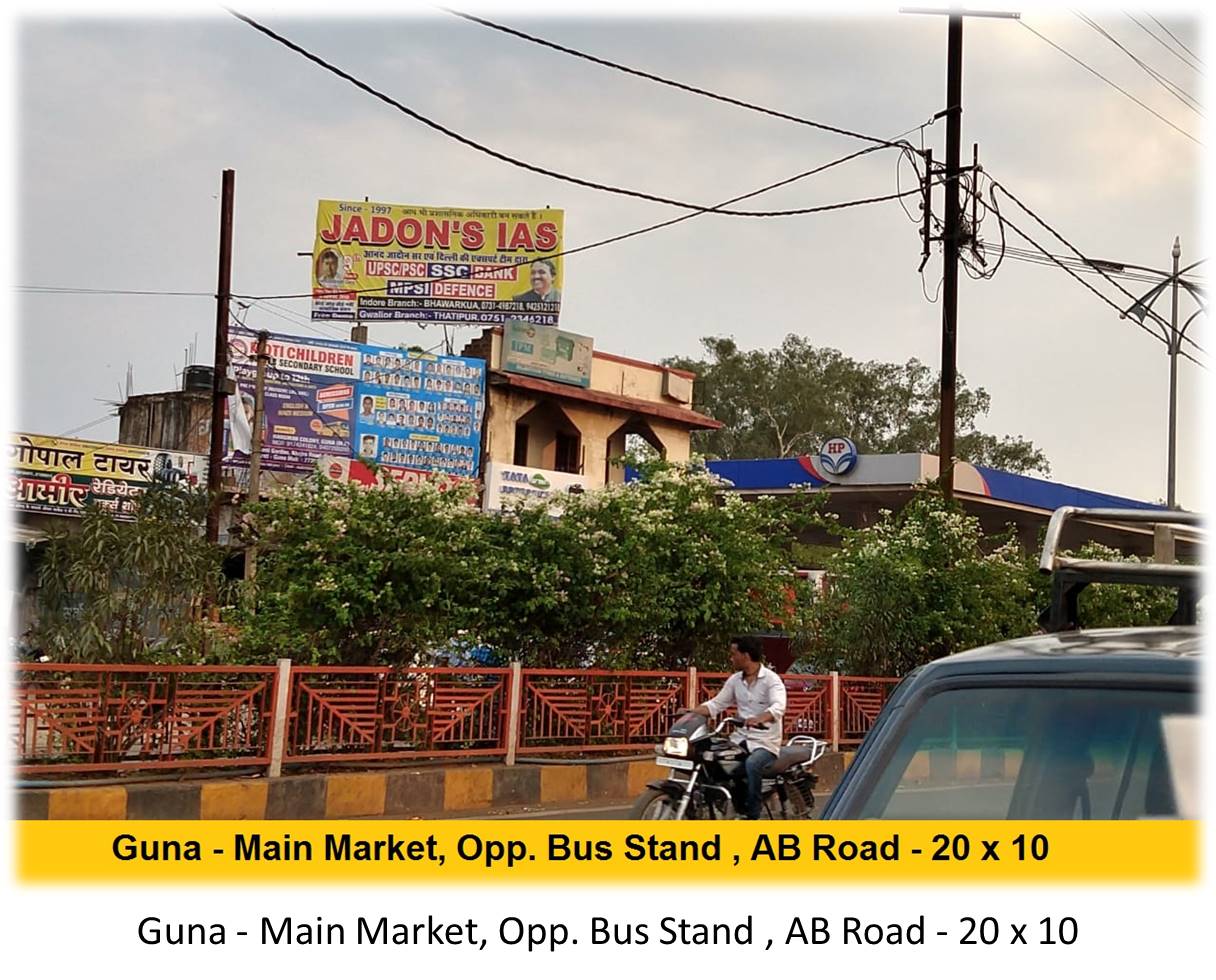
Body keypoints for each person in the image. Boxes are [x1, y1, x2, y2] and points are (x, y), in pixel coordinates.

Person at [688, 636, 786, 819]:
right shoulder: (735, 681)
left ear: (746, 655)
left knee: (752, 764)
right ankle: (722, 803)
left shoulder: (771, 680)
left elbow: (779, 706)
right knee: (711, 758)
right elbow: (716, 705)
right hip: (739, 739)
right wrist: (690, 712)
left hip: (765, 743)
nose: (730, 658)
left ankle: (752, 815)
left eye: (733, 654)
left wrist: (760, 718)